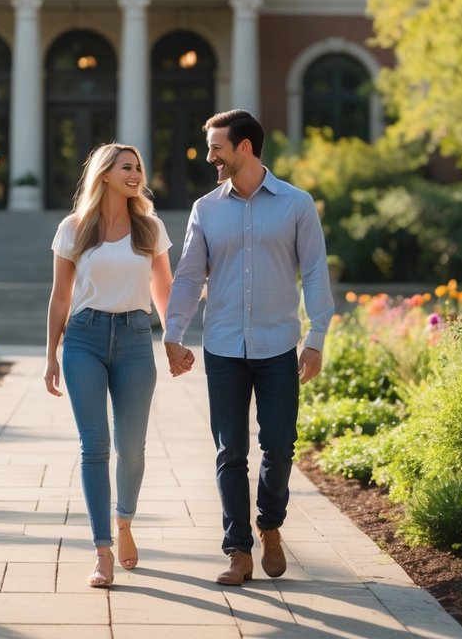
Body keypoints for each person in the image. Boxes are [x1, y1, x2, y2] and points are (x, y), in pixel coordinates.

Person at [162, 109, 334, 586]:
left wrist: (316, 337)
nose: (209, 156)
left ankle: (270, 525)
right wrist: (173, 333)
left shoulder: (297, 205)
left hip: (279, 344)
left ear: (244, 148)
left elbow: (315, 272)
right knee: (229, 450)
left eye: (217, 147)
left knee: (279, 445)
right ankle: (238, 550)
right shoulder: (206, 208)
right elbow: (190, 274)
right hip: (223, 345)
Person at [44, 143, 174, 588]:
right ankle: (102, 551)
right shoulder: (75, 228)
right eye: (127, 167)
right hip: (84, 339)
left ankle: (124, 523)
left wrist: (174, 340)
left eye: (138, 166)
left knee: (132, 448)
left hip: (137, 339)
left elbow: (164, 291)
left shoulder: (149, 228)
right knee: (94, 446)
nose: (136, 173)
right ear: (104, 175)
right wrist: (50, 355)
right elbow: (60, 295)